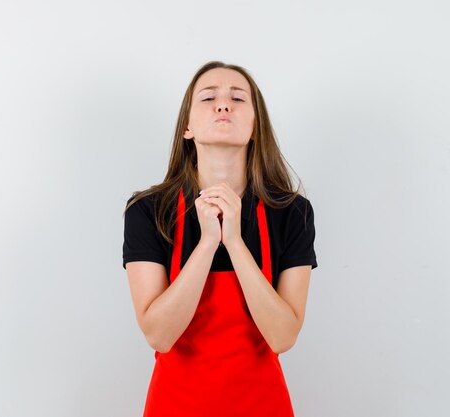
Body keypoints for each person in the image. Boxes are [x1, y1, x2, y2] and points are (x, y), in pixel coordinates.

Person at [122, 60, 318, 417]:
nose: (223, 104)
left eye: (238, 99)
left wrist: (235, 241)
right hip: (175, 406)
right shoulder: (148, 211)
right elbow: (159, 335)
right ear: (187, 126)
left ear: (256, 127)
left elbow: (283, 336)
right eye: (209, 97)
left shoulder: (292, 212)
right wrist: (208, 242)